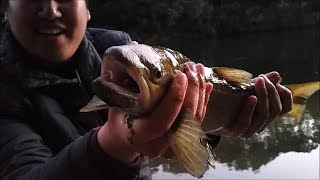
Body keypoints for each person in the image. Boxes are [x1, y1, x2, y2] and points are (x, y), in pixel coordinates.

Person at [0, 0, 293, 179]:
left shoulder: (115, 46)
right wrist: (115, 146)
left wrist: (216, 125)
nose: (50, 10)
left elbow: (180, 139)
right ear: (6, 9)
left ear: (87, 10)